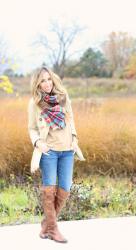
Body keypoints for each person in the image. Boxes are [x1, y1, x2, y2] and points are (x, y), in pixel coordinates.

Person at [27, 66, 85, 243]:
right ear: (37, 84)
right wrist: (38, 143)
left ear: (53, 79)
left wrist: (74, 138)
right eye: (42, 81)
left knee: (65, 188)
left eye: (48, 79)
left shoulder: (63, 97)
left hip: (67, 150)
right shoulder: (35, 103)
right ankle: (52, 230)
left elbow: (71, 120)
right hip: (49, 152)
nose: (46, 84)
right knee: (49, 190)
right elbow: (32, 128)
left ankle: (46, 224)